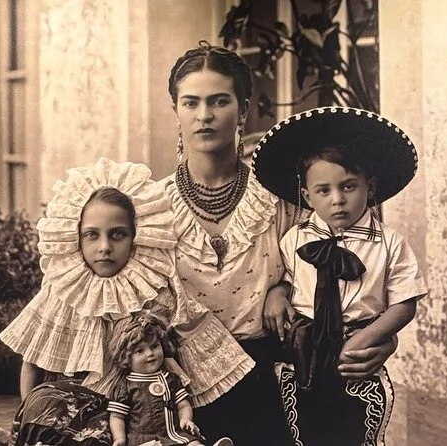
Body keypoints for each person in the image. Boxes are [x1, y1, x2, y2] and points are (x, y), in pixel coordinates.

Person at [159, 40, 400, 446]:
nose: (204, 115)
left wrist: (382, 337)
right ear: (176, 110)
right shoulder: (151, 209)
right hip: (180, 389)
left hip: (274, 386)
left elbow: (354, 274)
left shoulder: (284, 200)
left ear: (243, 110)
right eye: (191, 103)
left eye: (219, 101)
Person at [0, 158, 253, 446]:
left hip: (136, 414)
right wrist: (30, 421)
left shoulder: (153, 290)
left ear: (135, 237)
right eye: (92, 235)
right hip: (75, 414)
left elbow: (178, 357)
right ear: (76, 238)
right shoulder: (62, 290)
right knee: (45, 403)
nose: (105, 247)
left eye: (117, 235)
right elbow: (32, 365)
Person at [252, 106, 429, 445]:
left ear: (369, 187)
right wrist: (278, 292)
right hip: (303, 349)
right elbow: (286, 278)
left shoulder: (390, 243)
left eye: (348, 187)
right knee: (305, 429)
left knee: (356, 429)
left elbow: (405, 303)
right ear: (307, 196)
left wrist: (370, 337)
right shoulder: (294, 238)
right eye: (324, 191)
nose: (337, 200)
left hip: (356, 346)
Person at [106, 312, 233, 446]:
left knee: (193, 443)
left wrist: (185, 420)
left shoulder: (171, 379)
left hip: (173, 434)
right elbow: (117, 416)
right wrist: (119, 439)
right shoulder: (125, 386)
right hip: (144, 440)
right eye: (140, 351)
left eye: (154, 346)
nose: (150, 354)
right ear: (126, 358)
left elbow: (183, 405)